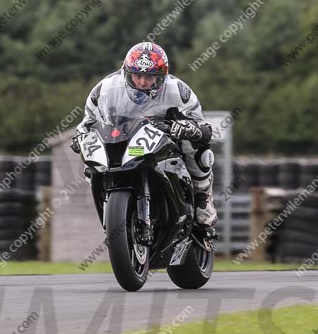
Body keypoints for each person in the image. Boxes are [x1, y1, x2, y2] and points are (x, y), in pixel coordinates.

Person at [70, 42, 217, 235]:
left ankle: (202, 199)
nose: (142, 82)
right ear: (126, 72)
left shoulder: (179, 91)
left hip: (164, 139)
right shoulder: (105, 90)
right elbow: (88, 122)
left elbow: (204, 129)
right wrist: (79, 136)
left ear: (162, 76)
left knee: (199, 151)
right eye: (137, 75)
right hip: (121, 140)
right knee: (90, 166)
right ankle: (110, 205)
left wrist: (189, 129)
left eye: (150, 77)